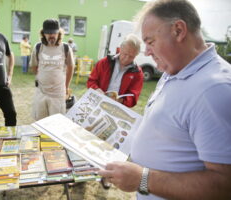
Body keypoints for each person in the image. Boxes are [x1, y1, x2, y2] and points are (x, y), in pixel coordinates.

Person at [98, 0, 231, 199]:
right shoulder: (176, 69)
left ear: (178, 30)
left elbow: (224, 185)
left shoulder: (214, 89)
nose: (146, 52)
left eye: (150, 42)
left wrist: (143, 179)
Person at [30, 19, 74, 120]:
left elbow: (70, 68)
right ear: (43, 33)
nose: (51, 35)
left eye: (54, 32)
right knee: (40, 123)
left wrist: (66, 86)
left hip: (58, 94)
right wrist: (42, 78)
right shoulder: (38, 47)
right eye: (48, 33)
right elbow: (34, 66)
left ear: (59, 33)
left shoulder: (66, 48)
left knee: (56, 124)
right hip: (41, 92)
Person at [87, 34, 144, 107]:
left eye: (131, 56)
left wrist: (122, 100)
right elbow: (91, 81)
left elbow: (134, 97)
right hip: (96, 101)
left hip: (117, 107)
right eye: (125, 54)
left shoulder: (137, 73)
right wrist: (96, 89)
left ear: (136, 55)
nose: (126, 59)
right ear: (120, 49)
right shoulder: (105, 62)